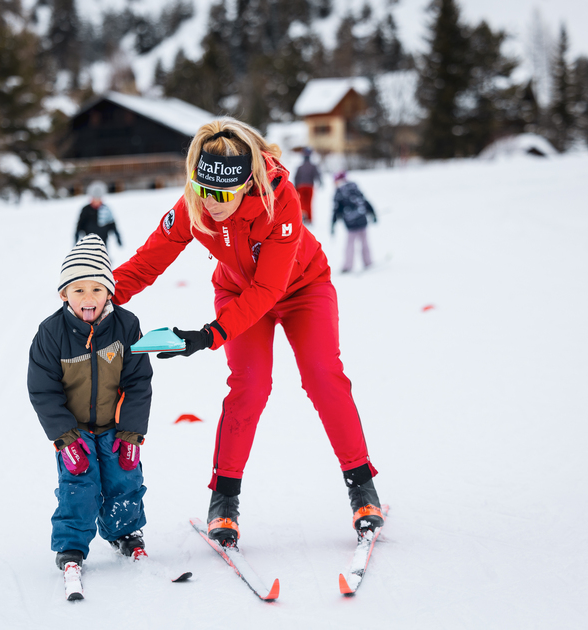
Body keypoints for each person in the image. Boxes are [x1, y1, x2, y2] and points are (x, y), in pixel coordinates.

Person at [111, 118, 384, 547]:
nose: (211, 202)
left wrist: (207, 334)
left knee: (322, 376)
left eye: (222, 193)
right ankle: (224, 499)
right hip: (236, 292)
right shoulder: (195, 204)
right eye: (203, 189)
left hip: (302, 289)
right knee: (250, 386)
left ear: (245, 184)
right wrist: (97, 298)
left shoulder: (281, 200)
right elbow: (147, 262)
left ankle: (362, 485)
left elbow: (269, 288)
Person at [28, 234, 153, 578]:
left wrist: (131, 432)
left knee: (124, 479)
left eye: (96, 289)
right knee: (78, 486)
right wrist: (64, 438)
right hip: (75, 432)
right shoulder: (51, 333)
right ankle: (70, 545)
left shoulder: (126, 326)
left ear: (109, 292)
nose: (88, 298)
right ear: (63, 293)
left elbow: (138, 381)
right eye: (78, 289)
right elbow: (43, 390)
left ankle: (124, 532)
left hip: (115, 427)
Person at [331, 171, 377, 273]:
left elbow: (336, 210)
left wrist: (333, 224)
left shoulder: (339, 192)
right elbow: (365, 201)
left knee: (350, 245)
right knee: (364, 242)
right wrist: (373, 213)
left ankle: (348, 266)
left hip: (350, 223)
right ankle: (368, 262)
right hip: (362, 220)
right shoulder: (354, 187)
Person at [75, 181, 122, 250]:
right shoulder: (86, 210)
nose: (97, 201)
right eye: (95, 198)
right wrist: (76, 238)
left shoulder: (106, 210)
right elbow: (80, 225)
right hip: (89, 242)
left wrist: (118, 237)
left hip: (103, 242)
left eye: (98, 198)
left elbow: (112, 225)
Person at [293, 148, 321, 224]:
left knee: (301, 202)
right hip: (309, 186)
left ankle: (302, 216)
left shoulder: (300, 167)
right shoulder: (313, 166)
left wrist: (295, 188)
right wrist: (320, 182)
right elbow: (317, 175)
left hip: (300, 186)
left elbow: (296, 177)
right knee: (309, 203)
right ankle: (309, 219)